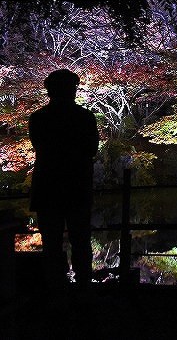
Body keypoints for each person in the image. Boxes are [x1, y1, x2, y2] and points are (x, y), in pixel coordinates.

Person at [29, 69, 99, 292]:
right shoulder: (85, 117)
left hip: (47, 187)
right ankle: (83, 290)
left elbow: (39, 146)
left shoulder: (38, 118)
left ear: (49, 90)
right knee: (81, 241)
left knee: (51, 244)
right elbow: (92, 150)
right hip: (77, 186)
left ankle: (56, 291)